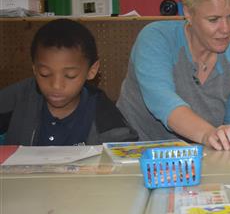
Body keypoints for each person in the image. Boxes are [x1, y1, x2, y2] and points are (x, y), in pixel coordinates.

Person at [117, 0, 230, 151]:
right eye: (213, 19)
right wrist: (209, 134)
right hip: (136, 152)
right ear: (188, 13)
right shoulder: (155, 39)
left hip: (201, 157)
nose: (226, 29)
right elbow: (167, 106)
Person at [0, 18, 137, 146]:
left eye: (70, 75)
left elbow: (124, 150)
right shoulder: (21, 97)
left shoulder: (103, 113)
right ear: (35, 69)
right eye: (45, 74)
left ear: (92, 71)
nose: (56, 85)